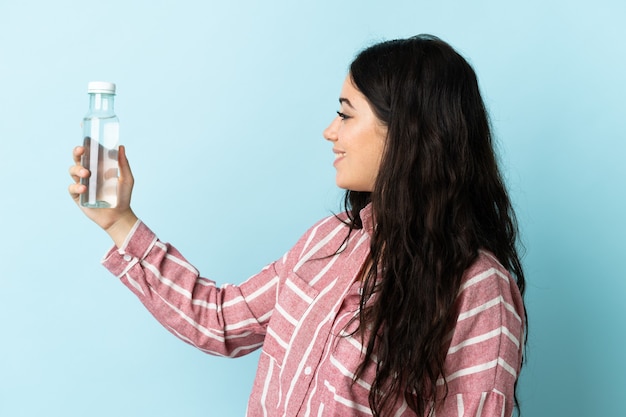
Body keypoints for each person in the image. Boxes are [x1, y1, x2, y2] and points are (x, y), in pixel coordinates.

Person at [69, 34, 526, 417]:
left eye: (346, 114)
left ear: (406, 131)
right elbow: (222, 321)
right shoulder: (327, 242)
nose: (330, 131)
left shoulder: (480, 289)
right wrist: (119, 221)